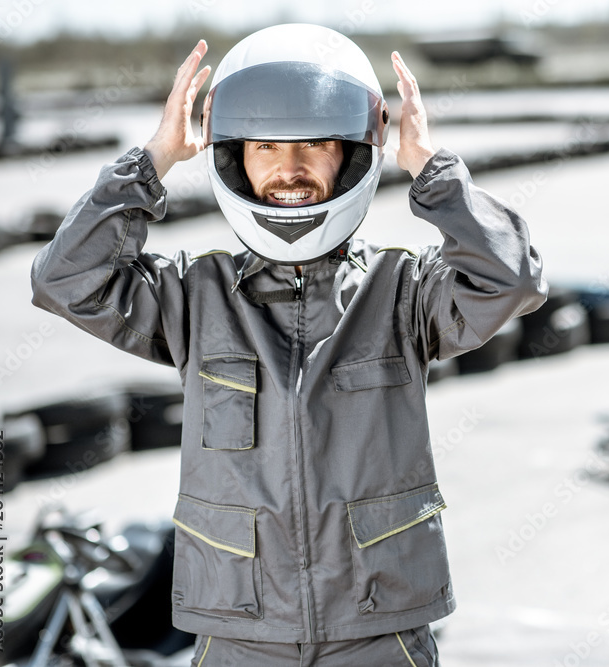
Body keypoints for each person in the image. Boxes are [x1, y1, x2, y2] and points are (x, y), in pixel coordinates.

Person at [30, 24, 546, 667]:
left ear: (354, 152)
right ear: (232, 156)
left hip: (377, 627)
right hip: (239, 629)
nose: (290, 169)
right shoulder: (194, 296)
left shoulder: (403, 293)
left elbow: (512, 277)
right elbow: (64, 279)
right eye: (266, 145)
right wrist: (152, 161)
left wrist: (430, 169)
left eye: (317, 144)